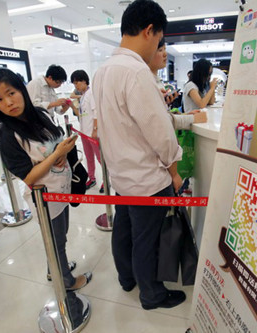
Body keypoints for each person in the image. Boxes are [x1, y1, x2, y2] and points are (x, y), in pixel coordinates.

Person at [92, 0, 186, 310]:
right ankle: (152, 294)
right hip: (146, 176)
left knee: (125, 229)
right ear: (149, 31)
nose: (158, 46)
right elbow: (160, 133)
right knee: (147, 239)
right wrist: (173, 171)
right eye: (159, 40)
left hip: (121, 172)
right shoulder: (136, 72)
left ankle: (127, 278)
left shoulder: (102, 71)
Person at [0, 68, 92, 330]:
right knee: (56, 239)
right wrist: (56, 156)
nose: (8, 102)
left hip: (61, 189)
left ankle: (56, 267)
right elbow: (29, 178)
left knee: (59, 235)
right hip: (44, 199)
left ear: (21, 90)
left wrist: (62, 151)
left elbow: (56, 142)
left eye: (11, 93)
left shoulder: (40, 115)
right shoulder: (9, 134)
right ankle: (64, 278)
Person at [148, 38, 207, 129]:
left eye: (165, 49)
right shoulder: (145, 81)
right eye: (160, 50)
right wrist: (191, 118)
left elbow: (162, 114)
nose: (165, 54)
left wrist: (184, 115)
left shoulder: (158, 80)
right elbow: (156, 122)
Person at [70, 70, 103, 191]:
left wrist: (95, 130)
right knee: (89, 157)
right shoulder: (83, 96)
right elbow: (81, 114)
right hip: (84, 133)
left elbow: (96, 112)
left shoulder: (91, 93)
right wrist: (72, 106)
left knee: (100, 158)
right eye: (74, 84)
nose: (76, 86)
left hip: (92, 134)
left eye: (77, 82)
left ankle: (106, 179)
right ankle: (92, 178)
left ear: (84, 81)